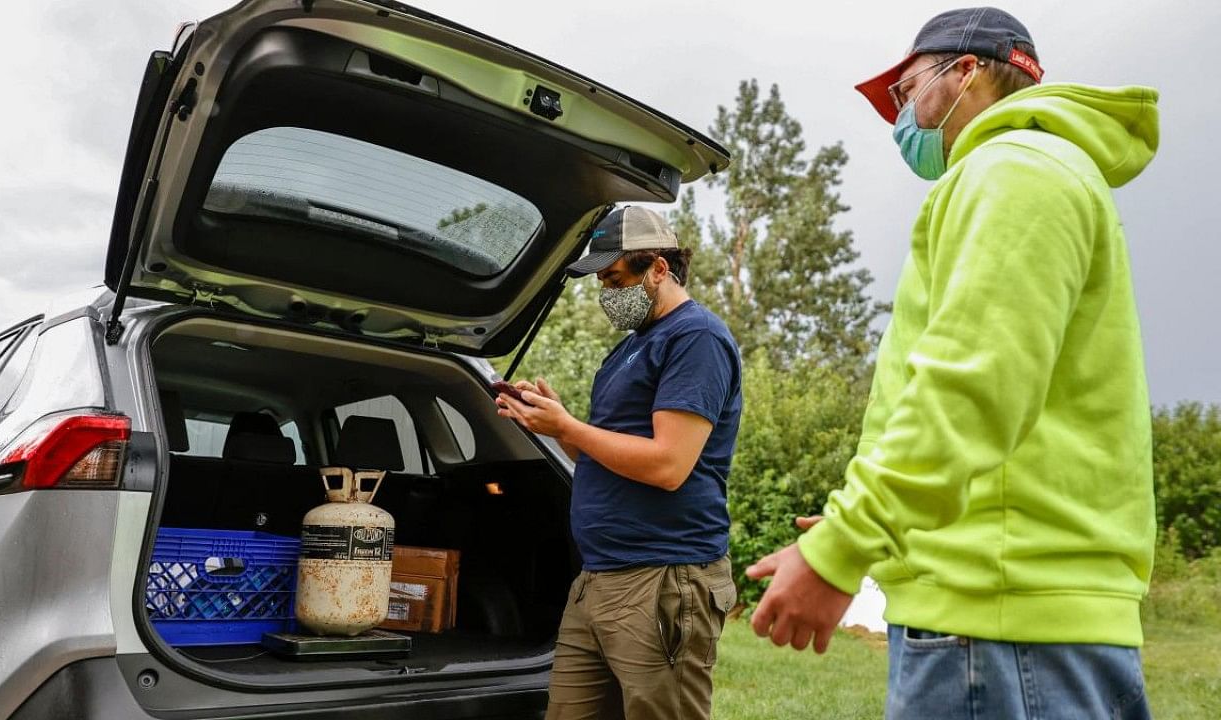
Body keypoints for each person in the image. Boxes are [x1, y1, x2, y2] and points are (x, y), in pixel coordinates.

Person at [744, 7, 1159, 718]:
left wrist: (847, 545)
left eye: (904, 92)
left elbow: (971, 388)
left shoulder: (1014, 171)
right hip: (1017, 611)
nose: (899, 117)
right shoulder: (1040, 171)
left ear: (965, 72)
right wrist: (887, 519)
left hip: (994, 621)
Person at [496, 206, 743, 720]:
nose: (606, 294)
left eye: (614, 278)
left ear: (658, 267)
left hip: (663, 578)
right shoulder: (629, 350)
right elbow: (596, 452)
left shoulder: (695, 338)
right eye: (602, 282)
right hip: (599, 579)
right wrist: (550, 421)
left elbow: (669, 464)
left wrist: (568, 426)